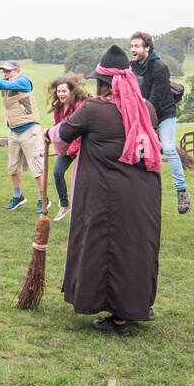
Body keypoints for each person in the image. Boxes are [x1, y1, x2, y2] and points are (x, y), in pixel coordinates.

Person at [57, 45, 162, 335]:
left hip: (108, 193)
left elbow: (65, 132)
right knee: (137, 248)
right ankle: (138, 304)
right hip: (144, 193)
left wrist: (47, 134)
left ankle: (118, 317)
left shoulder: (93, 110)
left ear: (104, 82)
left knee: (107, 249)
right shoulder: (147, 110)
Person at [0, 58, 48, 214]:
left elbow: (4, 84)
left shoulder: (23, 81)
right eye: (3, 71)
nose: (5, 74)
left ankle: (44, 199)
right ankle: (18, 197)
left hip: (30, 130)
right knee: (13, 167)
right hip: (14, 130)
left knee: (36, 167)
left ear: (17, 70)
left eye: (8, 71)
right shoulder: (7, 83)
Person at [129, 31, 189, 214]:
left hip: (163, 115)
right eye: (131, 46)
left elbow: (155, 98)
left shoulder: (160, 67)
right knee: (135, 151)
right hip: (142, 114)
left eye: (137, 46)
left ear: (147, 48)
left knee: (169, 148)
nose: (133, 49)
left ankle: (182, 191)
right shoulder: (130, 68)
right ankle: (138, 192)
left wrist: (144, 121)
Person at [44, 74, 89, 221]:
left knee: (82, 178)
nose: (61, 94)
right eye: (59, 91)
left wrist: (73, 149)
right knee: (57, 172)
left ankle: (85, 209)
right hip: (68, 147)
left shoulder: (79, 106)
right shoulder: (58, 108)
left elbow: (81, 130)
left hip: (84, 145)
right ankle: (64, 205)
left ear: (72, 92)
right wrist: (50, 136)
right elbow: (58, 127)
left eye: (64, 91)